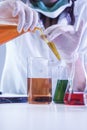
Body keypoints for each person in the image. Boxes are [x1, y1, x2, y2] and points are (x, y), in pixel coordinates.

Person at [0, 0, 87, 97]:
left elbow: (81, 89)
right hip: (15, 105)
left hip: (65, 108)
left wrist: (71, 58)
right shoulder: (14, 6)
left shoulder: (84, 10)